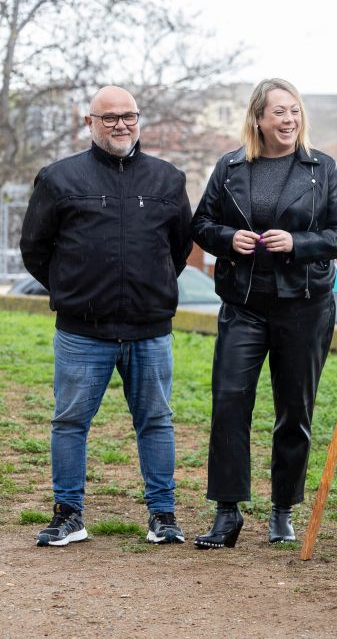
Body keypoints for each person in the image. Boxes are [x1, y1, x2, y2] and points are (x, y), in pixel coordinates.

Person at [20, 85, 192, 547]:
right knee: (69, 422)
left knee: (156, 421)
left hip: (149, 330)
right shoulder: (58, 179)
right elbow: (34, 249)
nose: (121, 124)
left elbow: (177, 250)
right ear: (89, 123)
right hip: (82, 332)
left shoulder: (167, 180)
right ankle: (69, 514)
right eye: (109, 117)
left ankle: (163, 516)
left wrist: (148, 290)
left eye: (129, 116)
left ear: (139, 120)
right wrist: (74, 291)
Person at [190, 78, 337, 548]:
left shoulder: (322, 168)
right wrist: (226, 239)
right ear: (258, 118)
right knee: (230, 403)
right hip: (243, 305)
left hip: (304, 306)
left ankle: (283, 509)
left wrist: (298, 243)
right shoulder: (230, 166)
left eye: (295, 110)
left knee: (294, 411)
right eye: (279, 112)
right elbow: (201, 223)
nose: (289, 120)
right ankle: (227, 512)